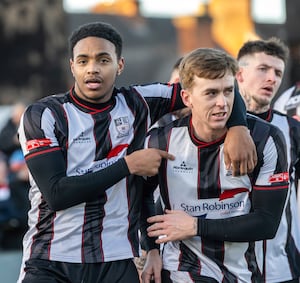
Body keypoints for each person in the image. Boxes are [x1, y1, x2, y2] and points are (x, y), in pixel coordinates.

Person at [17, 22, 256, 283]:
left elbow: (210, 86)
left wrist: (239, 127)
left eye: (103, 60)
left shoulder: (139, 101)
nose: (93, 68)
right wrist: (127, 165)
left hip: (116, 260)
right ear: (72, 66)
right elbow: (57, 194)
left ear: (120, 65)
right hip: (51, 259)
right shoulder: (43, 115)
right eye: (83, 61)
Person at [141, 47, 289, 283]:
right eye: (211, 93)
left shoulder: (266, 139)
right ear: (187, 98)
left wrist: (196, 226)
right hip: (180, 270)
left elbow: (267, 223)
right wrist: (151, 250)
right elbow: (142, 198)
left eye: (228, 91)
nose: (222, 103)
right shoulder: (159, 140)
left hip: (244, 273)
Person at [236, 37, 300, 283]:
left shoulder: (292, 129)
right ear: (239, 74)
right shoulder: (212, 125)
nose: (272, 78)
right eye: (263, 69)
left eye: (278, 72)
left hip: (282, 267)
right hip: (225, 268)